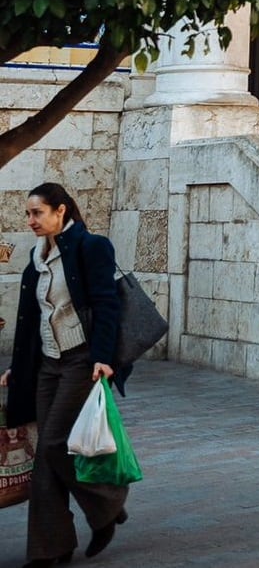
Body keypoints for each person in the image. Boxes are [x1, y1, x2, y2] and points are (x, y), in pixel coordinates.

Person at [2, 183, 129, 568]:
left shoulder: (92, 247)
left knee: (56, 443)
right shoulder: (38, 256)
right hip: (47, 363)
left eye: (37, 213)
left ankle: (107, 504)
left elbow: (107, 304)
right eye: (28, 214)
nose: (30, 221)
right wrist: (18, 367)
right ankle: (50, 548)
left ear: (61, 211)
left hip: (81, 359)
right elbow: (32, 316)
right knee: (44, 454)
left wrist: (104, 358)